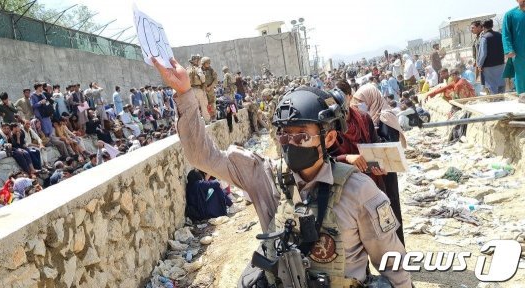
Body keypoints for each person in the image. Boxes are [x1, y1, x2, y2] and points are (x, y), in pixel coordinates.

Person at [150, 56, 410, 287]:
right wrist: (184, 93)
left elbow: (394, 265)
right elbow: (201, 156)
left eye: (302, 136)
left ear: (329, 139)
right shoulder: (266, 176)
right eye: (285, 135)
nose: (291, 143)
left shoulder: (359, 190)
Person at [334, 81, 406, 244]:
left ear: (348, 97)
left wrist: (377, 165)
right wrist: (347, 158)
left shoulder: (364, 118)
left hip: (375, 183)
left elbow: (375, 147)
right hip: (348, 189)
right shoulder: (332, 126)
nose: (359, 104)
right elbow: (328, 159)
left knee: (385, 227)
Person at [477, 19, 506, 94]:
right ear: (492, 25)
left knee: (492, 85)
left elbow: (483, 53)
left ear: (483, 27)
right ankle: (501, 99)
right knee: (501, 83)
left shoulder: (484, 38)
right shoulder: (500, 35)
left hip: (488, 66)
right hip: (500, 63)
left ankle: (496, 101)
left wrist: (479, 65)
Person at [502, 1, 525, 94]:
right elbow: (506, 34)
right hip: (519, 52)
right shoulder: (510, 15)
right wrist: (509, 49)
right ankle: (522, 96)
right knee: (521, 75)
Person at [187, 55, 210, 123]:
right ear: (196, 61)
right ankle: (207, 120)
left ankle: (198, 122)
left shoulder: (187, 69)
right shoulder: (198, 68)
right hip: (198, 89)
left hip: (191, 90)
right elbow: (202, 78)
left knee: (195, 107)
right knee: (203, 105)